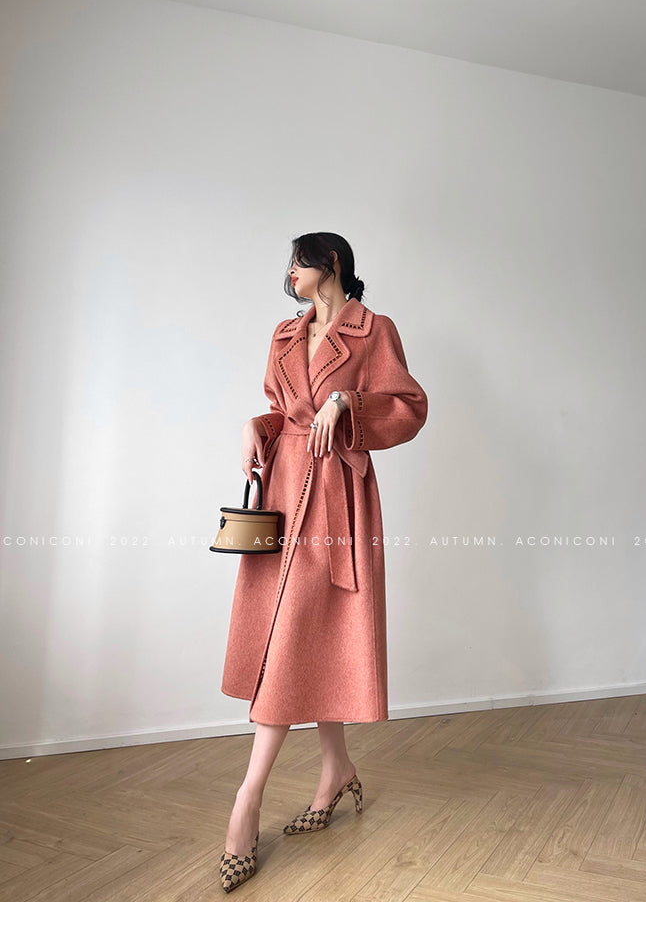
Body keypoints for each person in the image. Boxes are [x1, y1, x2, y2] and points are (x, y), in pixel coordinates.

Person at [219, 232, 428, 892]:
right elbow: (283, 412)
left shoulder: (373, 330)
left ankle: (247, 800)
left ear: (330, 265)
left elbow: (409, 407)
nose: (289, 274)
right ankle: (336, 770)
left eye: (298, 263)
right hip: (285, 495)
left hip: (336, 497)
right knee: (310, 638)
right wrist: (258, 426)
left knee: (294, 639)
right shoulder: (285, 333)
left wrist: (349, 403)